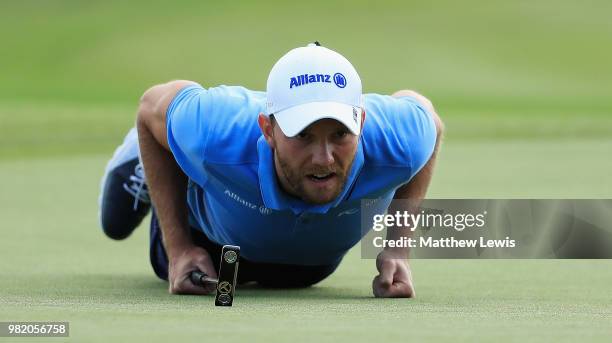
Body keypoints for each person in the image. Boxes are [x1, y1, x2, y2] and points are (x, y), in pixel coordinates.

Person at [98, 42, 443, 298]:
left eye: (339, 135)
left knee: (295, 281)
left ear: (362, 122)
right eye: (302, 135)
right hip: (213, 243)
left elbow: (431, 122)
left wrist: (398, 248)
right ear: (268, 130)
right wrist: (178, 249)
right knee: (115, 222)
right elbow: (149, 106)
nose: (323, 158)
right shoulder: (216, 130)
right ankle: (152, 157)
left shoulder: (400, 138)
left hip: (310, 264)